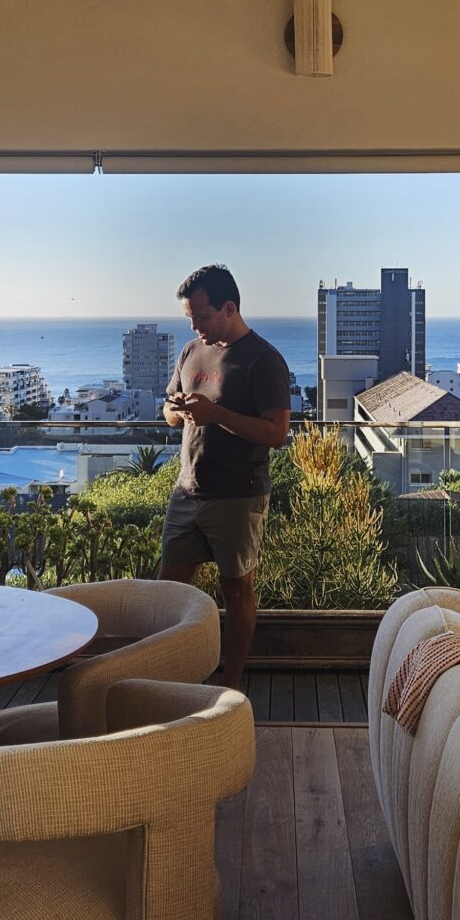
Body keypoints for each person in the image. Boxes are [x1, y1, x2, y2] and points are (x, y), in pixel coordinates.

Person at [156, 263, 291, 689]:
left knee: (237, 591)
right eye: (189, 317)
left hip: (238, 495)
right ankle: (170, 678)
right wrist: (178, 409)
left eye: (202, 316)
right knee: (167, 592)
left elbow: (277, 433)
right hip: (187, 490)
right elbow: (169, 412)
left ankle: (230, 684)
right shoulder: (190, 352)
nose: (194, 326)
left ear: (229, 308)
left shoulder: (264, 361)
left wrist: (215, 414)